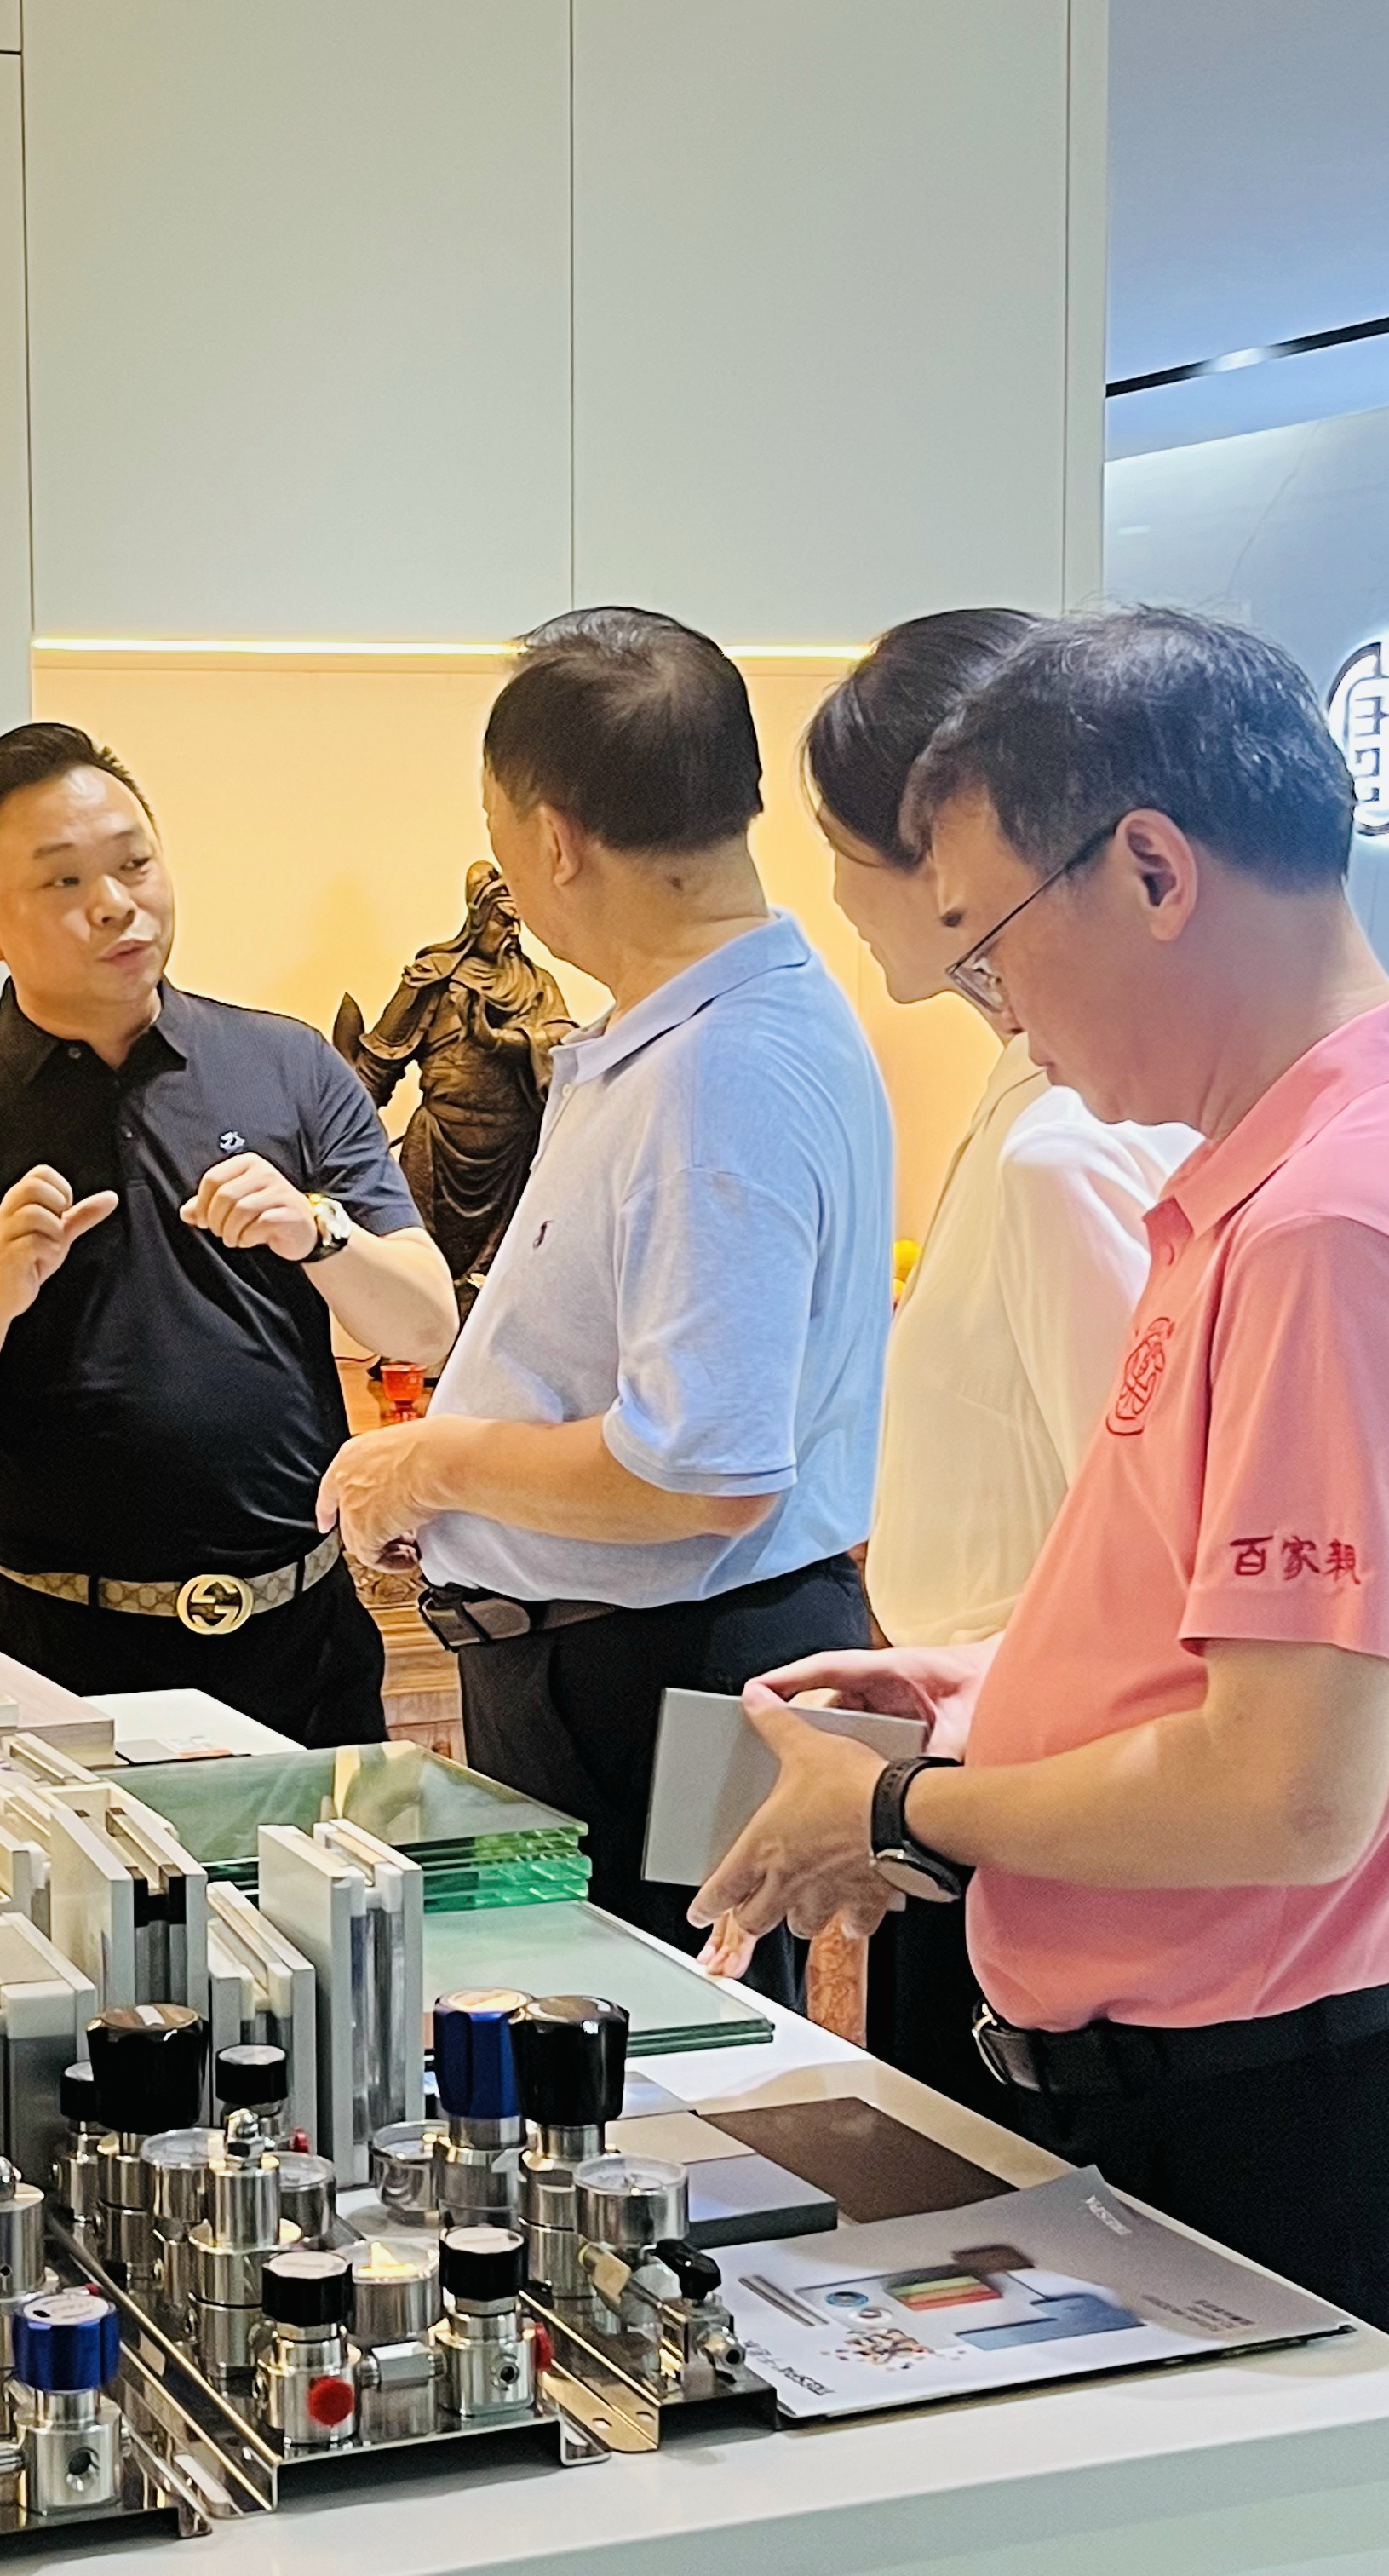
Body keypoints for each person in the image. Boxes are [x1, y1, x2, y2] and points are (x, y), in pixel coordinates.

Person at [694, 608, 1389, 2447]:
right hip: (1246, 2103)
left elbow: (1286, 1793)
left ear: (1153, 871)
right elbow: (1240, 1645)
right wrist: (982, 1689)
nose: (994, 1003)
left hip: (1279, 2136)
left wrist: (901, 1807)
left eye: (991, 941)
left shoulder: (1335, 1226)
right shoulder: (1317, 1164)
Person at [316, 608, 893, 1968]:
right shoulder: (694, 1025)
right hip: (624, 1659)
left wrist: (429, 1465)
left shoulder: (720, 1072)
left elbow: (703, 1471)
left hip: (657, 1675)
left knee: (655, 2054)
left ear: (556, 840)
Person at [0, 722, 457, 1747]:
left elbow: (427, 1326)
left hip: (303, 1641)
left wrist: (316, 1232)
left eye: (134, 863)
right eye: (63, 881)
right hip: (58, 1660)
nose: (117, 903)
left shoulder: (289, 1066)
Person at [804, 610, 1195, 2113]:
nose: (839, 894)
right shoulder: (1026, 1100)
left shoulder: (1068, 1145)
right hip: (974, 1746)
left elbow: (1143, 1555)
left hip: (1025, 1781)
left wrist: (941, 1776)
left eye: (847, 851)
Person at [332, 860, 577, 1307]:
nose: (512, 931)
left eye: (518, 920)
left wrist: (500, 1041)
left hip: (511, 1156)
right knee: (420, 1270)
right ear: (478, 918)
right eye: (502, 919)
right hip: (438, 1145)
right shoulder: (435, 977)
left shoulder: (537, 985)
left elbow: (562, 1044)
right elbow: (381, 1062)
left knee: (501, 1281)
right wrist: (349, 1140)